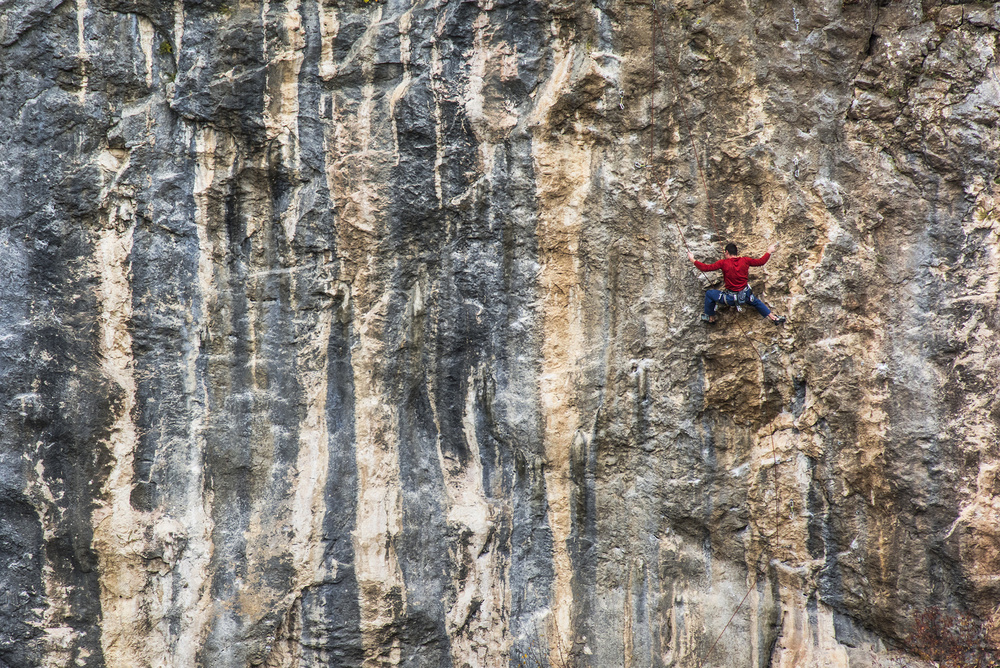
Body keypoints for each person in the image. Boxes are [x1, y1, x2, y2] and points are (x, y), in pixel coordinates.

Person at [687, 242, 786, 326]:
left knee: (709, 294)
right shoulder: (745, 260)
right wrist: (769, 251)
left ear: (727, 252)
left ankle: (711, 318)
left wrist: (693, 260)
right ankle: (774, 318)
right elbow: (761, 262)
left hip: (730, 299)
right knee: (756, 302)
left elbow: (706, 268)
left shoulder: (724, 263)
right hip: (745, 295)